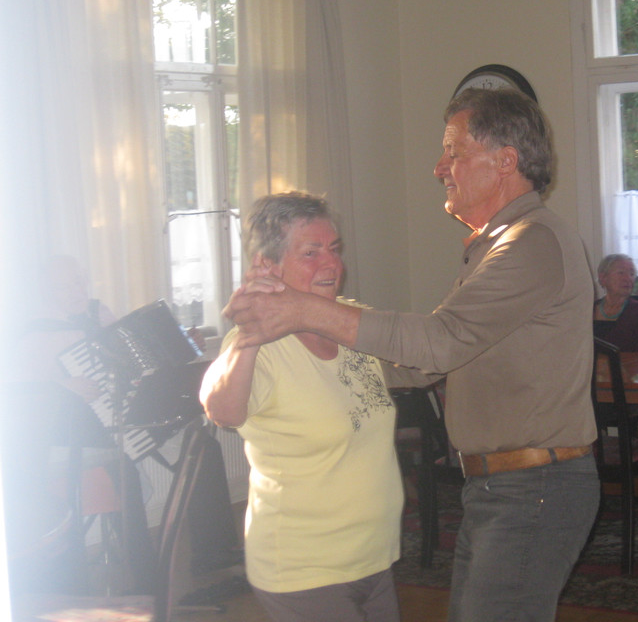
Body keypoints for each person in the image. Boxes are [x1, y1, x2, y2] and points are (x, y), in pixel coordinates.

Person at [222, 88, 600, 622]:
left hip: (533, 486)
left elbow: (438, 342)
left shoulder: (529, 243)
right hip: (506, 486)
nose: (439, 168)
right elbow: (425, 363)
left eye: (453, 152)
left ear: (505, 161)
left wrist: (306, 310)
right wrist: (300, 329)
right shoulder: (499, 243)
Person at [200, 192, 432, 622]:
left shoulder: (346, 319)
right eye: (311, 252)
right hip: (304, 570)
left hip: (372, 560)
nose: (332, 264)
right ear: (269, 266)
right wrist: (247, 335)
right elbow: (223, 410)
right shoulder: (261, 344)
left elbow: (422, 365)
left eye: (334, 249)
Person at [3, 255, 239, 595]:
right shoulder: (32, 334)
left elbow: (139, 359)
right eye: (64, 287)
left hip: (131, 414)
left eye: (78, 282)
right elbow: (15, 392)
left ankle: (214, 552)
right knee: (122, 472)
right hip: (87, 433)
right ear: (45, 291)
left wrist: (185, 343)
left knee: (202, 446)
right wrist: (63, 386)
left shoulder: (99, 313)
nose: (76, 291)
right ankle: (145, 580)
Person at [593, 253, 638, 352]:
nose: (628, 279)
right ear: (603, 278)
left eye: (631, 274)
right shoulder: (589, 310)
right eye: (621, 273)